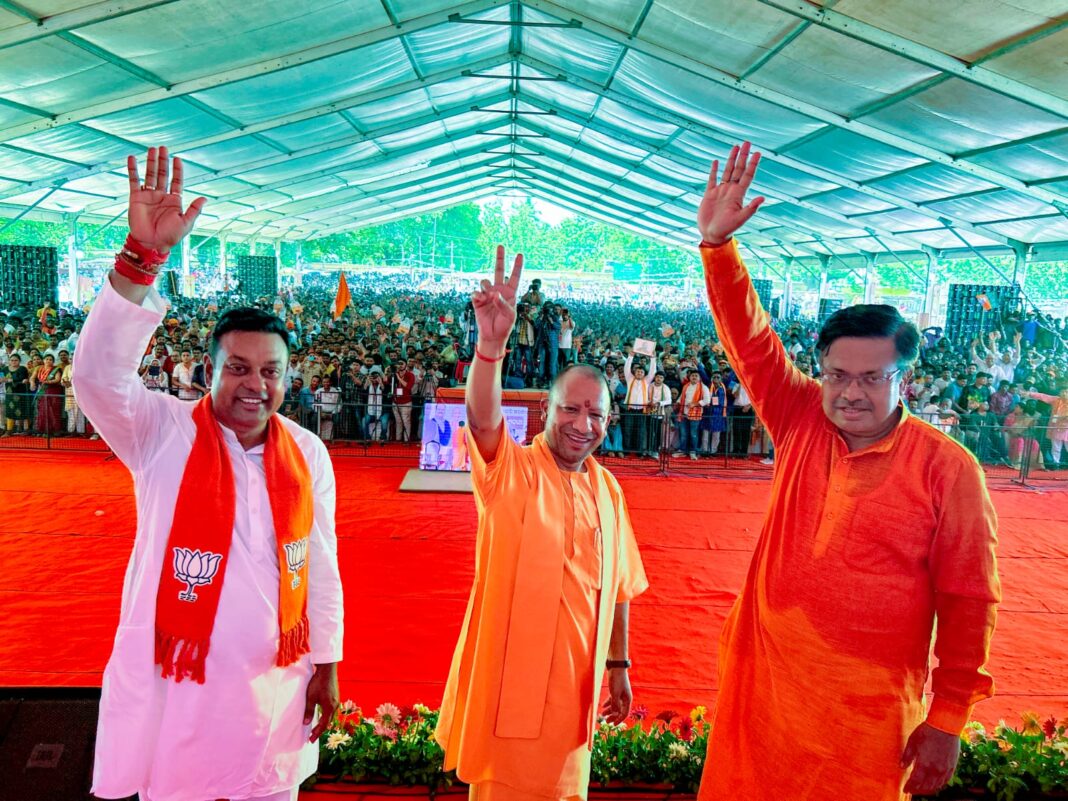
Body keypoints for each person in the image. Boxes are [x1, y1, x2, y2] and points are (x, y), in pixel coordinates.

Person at [694, 143, 1000, 801]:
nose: (849, 392)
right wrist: (718, 248)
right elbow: (751, 342)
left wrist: (948, 717)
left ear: (904, 378)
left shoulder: (949, 470)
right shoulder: (801, 416)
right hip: (764, 688)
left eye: (870, 377)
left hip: (863, 714)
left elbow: (970, 599)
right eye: (836, 374)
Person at [72, 146, 344, 801]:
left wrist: (328, 663)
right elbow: (95, 377)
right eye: (239, 367)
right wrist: (142, 256)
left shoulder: (307, 453)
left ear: (289, 377)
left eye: (272, 371)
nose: (256, 384)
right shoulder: (161, 431)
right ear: (210, 369)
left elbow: (324, 563)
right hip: (182, 693)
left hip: (275, 690)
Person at [435, 246, 648, 801]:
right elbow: (483, 419)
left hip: (575, 699)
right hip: (511, 690)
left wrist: (618, 665)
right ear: (546, 411)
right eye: (570, 410)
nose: (583, 425)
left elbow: (620, 587)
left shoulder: (608, 489)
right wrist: (491, 348)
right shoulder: (514, 472)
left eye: (596, 414)